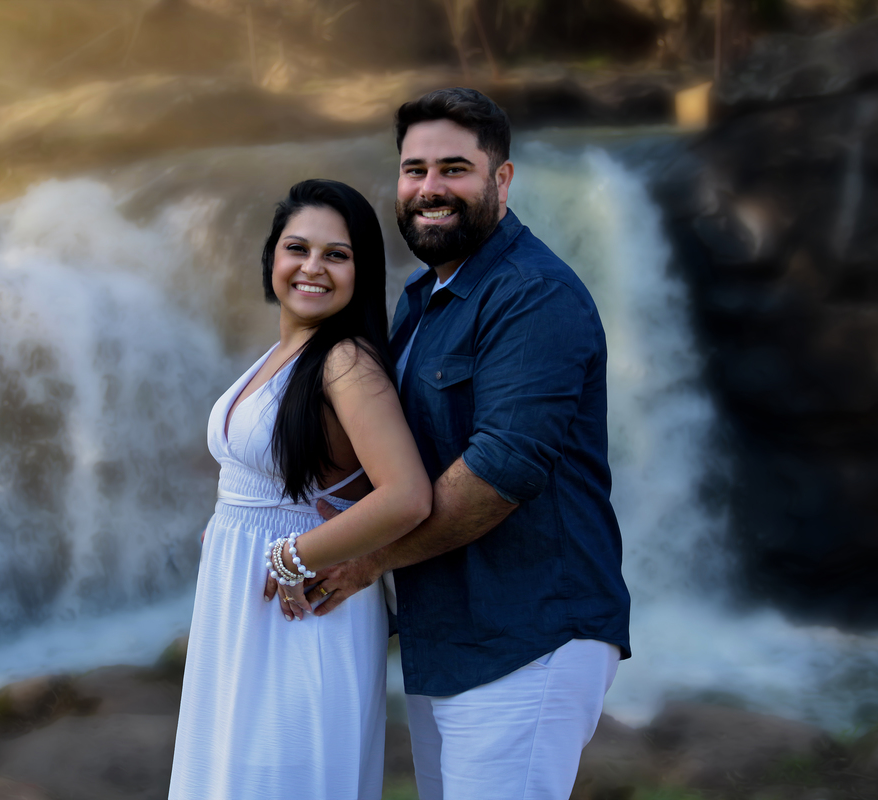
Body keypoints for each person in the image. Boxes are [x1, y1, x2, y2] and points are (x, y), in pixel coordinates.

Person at [297, 88, 632, 799]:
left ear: (501, 179)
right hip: (447, 637)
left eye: (454, 168)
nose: (430, 189)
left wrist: (365, 562)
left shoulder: (533, 294)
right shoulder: (423, 298)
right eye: (415, 170)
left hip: (528, 634)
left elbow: (500, 470)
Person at [168, 179, 432, 799]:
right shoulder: (283, 353)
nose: (312, 267)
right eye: (298, 248)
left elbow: (407, 494)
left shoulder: (345, 362)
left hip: (300, 609)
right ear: (272, 259)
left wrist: (294, 554)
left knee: (278, 778)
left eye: (336, 255)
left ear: (360, 272)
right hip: (240, 607)